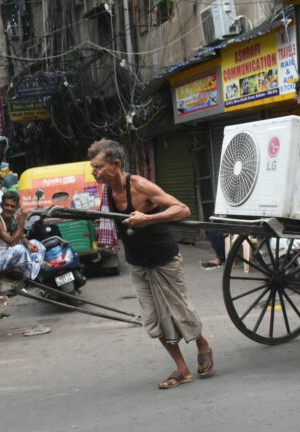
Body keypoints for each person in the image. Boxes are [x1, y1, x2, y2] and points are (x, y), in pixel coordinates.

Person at [88, 139, 213, 390]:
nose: (95, 172)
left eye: (99, 167)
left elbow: (183, 209)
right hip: (137, 262)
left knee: (180, 311)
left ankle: (202, 344)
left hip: (163, 258)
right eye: (93, 167)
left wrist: (149, 219)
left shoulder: (140, 185)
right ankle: (181, 368)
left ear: (116, 164)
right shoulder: (105, 193)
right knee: (153, 319)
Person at [0, 191, 45, 279]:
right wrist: (21, 223)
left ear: (17, 207)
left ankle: (32, 271)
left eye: (12, 206)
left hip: (5, 258)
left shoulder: (13, 218)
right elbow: (11, 242)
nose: (9, 208)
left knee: (36, 243)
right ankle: (31, 274)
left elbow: (20, 235)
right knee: (19, 249)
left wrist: (28, 244)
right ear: (1, 205)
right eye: (6, 205)